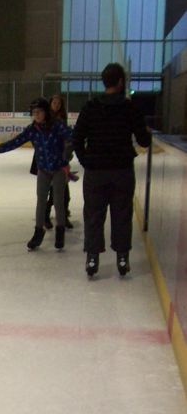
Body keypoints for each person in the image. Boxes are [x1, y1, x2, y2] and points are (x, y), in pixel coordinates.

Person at [72, 62, 152, 278]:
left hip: (96, 172)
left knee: (94, 215)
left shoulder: (90, 107)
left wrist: (86, 160)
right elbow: (144, 141)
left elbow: (77, 138)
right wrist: (146, 131)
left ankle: (92, 258)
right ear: (120, 82)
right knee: (122, 214)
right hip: (122, 171)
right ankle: (122, 257)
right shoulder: (130, 107)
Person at [0, 97, 71, 251]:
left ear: (46, 112)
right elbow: (16, 141)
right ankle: (38, 232)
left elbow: (73, 137)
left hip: (59, 169)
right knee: (41, 201)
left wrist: (68, 151)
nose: (36, 115)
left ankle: (60, 231)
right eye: (34, 113)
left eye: (39, 112)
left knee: (58, 202)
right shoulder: (33, 129)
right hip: (43, 170)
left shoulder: (58, 126)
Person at [43, 94, 74, 230]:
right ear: (50, 104)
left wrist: (68, 151)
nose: (56, 105)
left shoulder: (62, 119)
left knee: (64, 192)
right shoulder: (45, 119)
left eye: (59, 103)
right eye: (54, 103)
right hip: (48, 161)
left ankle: (63, 216)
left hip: (61, 160)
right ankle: (46, 216)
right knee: (52, 191)